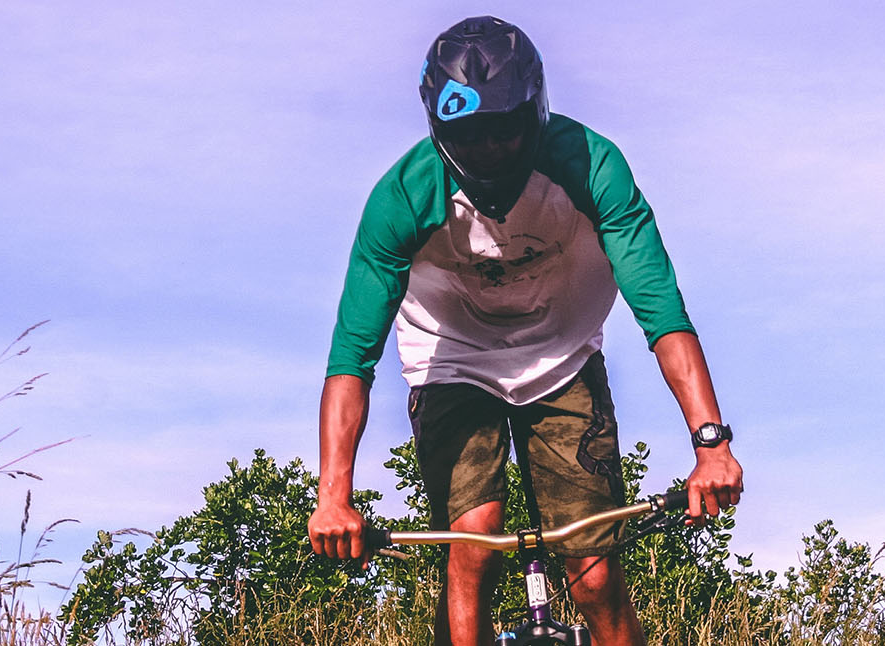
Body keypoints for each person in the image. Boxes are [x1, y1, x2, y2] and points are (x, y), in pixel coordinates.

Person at [307, 15, 744, 646]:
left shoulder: (591, 167)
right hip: (451, 360)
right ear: (439, 127)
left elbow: (662, 311)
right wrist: (334, 497)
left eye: (503, 132)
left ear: (534, 113)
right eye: (469, 135)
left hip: (563, 361)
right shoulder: (401, 198)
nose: (487, 150)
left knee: (593, 575)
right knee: (475, 545)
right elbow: (352, 356)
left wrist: (710, 445)